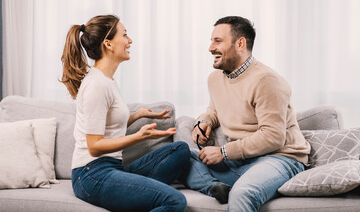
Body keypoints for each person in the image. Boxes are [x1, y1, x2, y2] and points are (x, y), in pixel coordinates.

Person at [179, 16, 311, 212]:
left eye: (218, 41)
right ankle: (215, 187)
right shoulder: (215, 79)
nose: (210, 48)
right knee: (179, 156)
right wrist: (205, 122)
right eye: (211, 40)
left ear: (240, 44)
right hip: (240, 161)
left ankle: (232, 188)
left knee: (242, 193)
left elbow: (273, 137)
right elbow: (214, 110)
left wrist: (223, 152)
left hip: (279, 158)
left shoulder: (267, 81)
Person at [60, 14, 190, 212]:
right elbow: (94, 147)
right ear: (108, 44)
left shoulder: (107, 81)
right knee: (175, 201)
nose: (130, 41)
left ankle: (137, 194)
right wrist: (139, 136)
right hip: (92, 174)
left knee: (180, 150)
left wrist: (137, 115)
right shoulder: (97, 85)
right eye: (125, 35)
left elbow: (107, 127)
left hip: (111, 168)